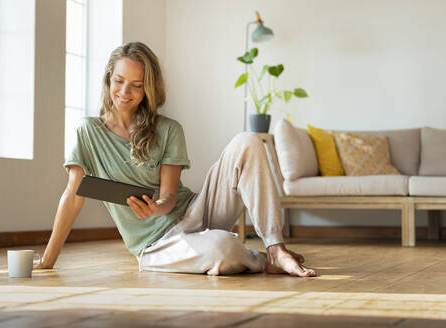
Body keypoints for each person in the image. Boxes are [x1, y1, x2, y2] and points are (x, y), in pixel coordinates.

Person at [39, 42, 316, 277]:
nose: (125, 92)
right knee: (223, 247)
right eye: (119, 81)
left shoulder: (168, 129)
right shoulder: (88, 131)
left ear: (148, 89)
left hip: (195, 212)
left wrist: (157, 207)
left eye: (137, 85)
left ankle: (275, 250)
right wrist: (49, 259)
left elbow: (170, 196)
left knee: (249, 141)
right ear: (108, 79)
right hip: (156, 245)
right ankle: (250, 257)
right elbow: (73, 194)